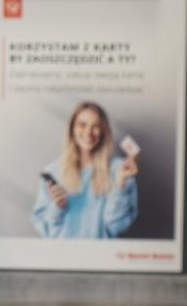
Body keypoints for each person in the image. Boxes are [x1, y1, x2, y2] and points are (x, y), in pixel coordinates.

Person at [31, 101, 138, 239]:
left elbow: (116, 227)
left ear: (103, 132)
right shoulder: (52, 172)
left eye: (96, 126)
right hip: (63, 257)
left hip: (102, 257)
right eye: (82, 125)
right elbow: (49, 232)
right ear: (72, 129)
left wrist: (121, 184)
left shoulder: (119, 169)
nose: (88, 132)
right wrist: (57, 207)